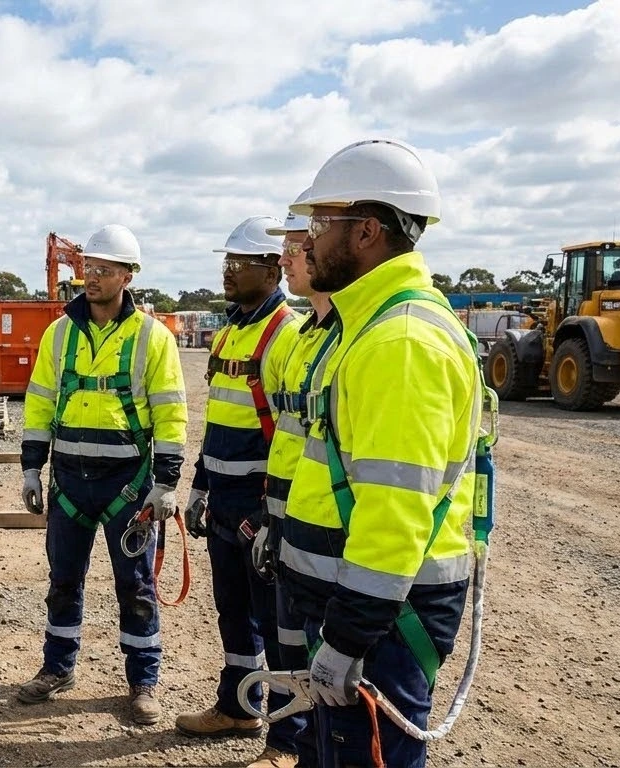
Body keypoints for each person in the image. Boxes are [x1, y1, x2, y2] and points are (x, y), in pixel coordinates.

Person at [280, 138, 482, 768]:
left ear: (366, 231)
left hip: (381, 621)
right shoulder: (367, 326)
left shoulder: (399, 342)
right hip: (363, 608)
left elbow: (393, 514)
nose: (306, 242)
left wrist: (346, 640)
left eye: (319, 225)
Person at [16, 224, 187, 725]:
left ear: (128, 276)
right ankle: (57, 668)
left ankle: (143, 681)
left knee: (135, 586)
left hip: (128, 486)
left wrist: (167, 481)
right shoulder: (60, 332)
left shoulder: (152, 338)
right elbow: (40, 400)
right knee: (63, 579)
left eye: (104, 269)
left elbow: (172, 413)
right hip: (69, 480)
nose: (91, 277)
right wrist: (31, 467)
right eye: (89, 267)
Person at [175, 216, 302, 768]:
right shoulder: (228, 333)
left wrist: (277, 514)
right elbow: (220, 422)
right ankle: (239, 706)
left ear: (273, 268)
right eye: (225, 261)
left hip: (261, 501)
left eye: (239, 263)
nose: (227, 272)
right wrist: (200, 486)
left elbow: (295, 435)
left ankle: (286, 740)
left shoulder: (287, 334)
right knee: (233, 612)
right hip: (224, 496)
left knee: (279, 623)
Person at [252, 207, 333, 767]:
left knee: (324, 662)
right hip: (290, 525)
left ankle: (301, 746)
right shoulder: (302, 339)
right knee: (286, 646)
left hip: (335, 538)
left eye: (298, 244)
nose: (285, 257)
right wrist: (272, 518)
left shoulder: (364, 341)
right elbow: (285, 437)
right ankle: (287, 743)